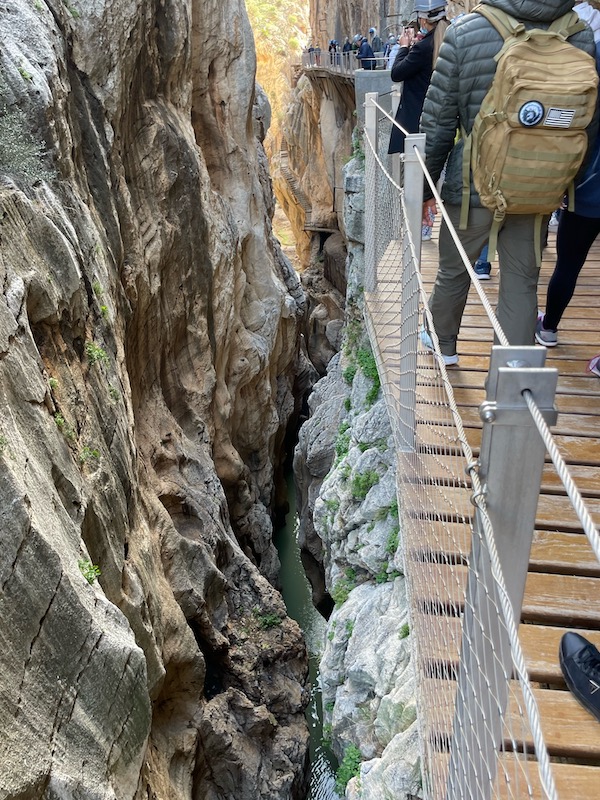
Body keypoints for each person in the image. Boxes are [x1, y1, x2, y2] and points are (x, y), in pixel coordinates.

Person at [419, 0, 597, 366]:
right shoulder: (579, 36)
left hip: (472, 186)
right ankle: (512, 377)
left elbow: (438, 123)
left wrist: (424, 188)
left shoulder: (465, 32)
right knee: (522, 281)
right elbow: (586, 125)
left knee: (454, 270)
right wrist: (565, 180)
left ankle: (444, 346)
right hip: (539, 189)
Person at [536, 0, 600, 347]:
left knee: (569, 263)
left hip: (589, 186)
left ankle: (549, 327)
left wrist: (562, 178)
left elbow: (580, 121)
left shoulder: (594, 54)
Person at [388, 1, 450, 243]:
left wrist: (404, 47)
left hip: (416, 122)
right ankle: (427, 224)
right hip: (440, 118)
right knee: (433, 174)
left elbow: (397, 73)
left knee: (417, 177)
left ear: (423, 20)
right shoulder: (446, 41)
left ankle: (420, 227)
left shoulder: (423, 48)